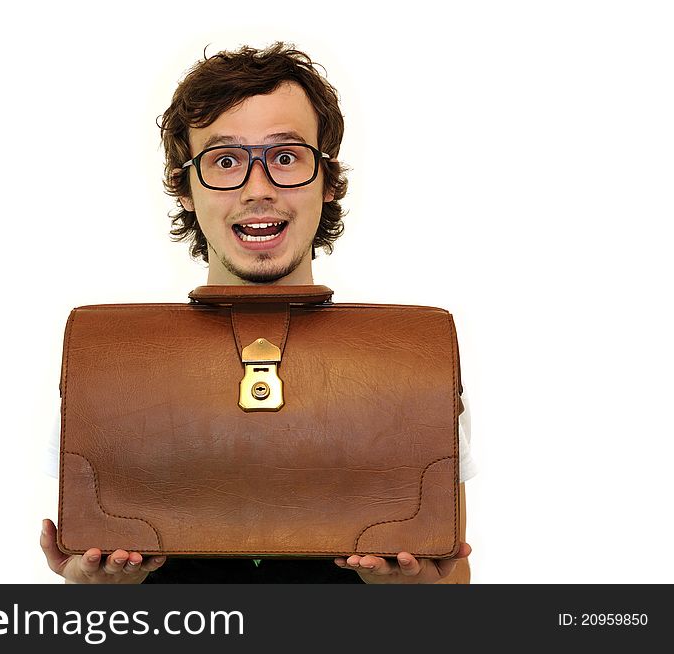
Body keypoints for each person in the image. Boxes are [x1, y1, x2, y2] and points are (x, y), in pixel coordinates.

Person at [40, 42, 477, 583]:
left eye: (286, 157)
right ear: (184, 186)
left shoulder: (409, 364)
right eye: (225, 161)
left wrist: (416, 600)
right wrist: (98, 595)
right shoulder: (109, 366)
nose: (258, 188)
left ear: (330, 179)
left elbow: (456, 590)